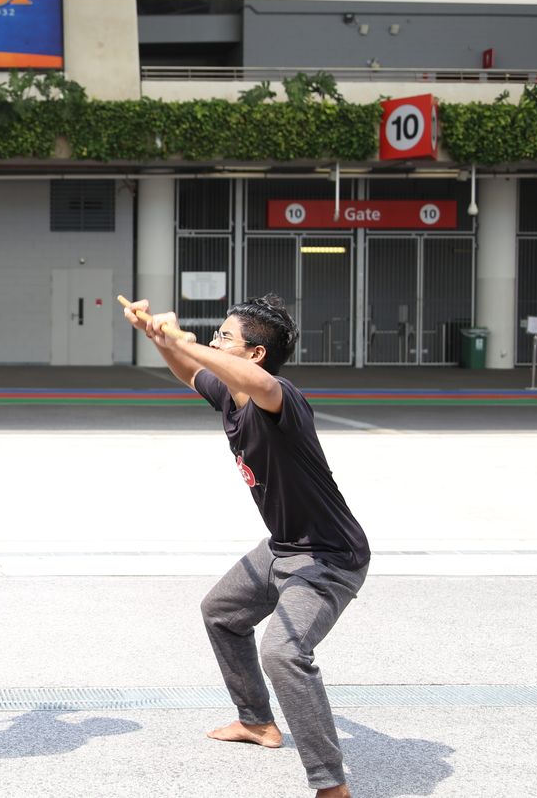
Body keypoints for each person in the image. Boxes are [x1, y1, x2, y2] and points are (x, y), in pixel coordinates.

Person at [122, 293, 370, 798]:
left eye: (225, 337)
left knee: (283, 651)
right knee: (221, 612)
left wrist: (183, 339)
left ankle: (331, 785)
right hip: (282, 547)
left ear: (255, 353)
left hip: (328, 557)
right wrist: (162, 341)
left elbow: (260, 382)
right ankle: (257, 721)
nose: (215, 342)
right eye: (215, 335)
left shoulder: (279, 398)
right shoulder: (229, 394)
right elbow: (191, 373)